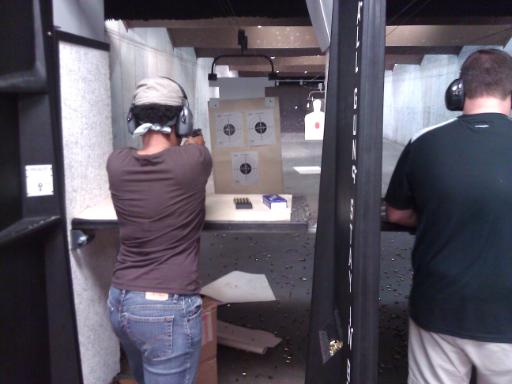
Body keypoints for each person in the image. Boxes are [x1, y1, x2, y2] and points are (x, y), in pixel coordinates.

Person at [385, 49, 512, 384]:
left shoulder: (424, 142)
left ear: (458, 91)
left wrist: (437, 214)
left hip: (439, 308)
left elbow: (396, 213)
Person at [106, 76, 212, 384]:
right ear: (183, 118)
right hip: (167, 308)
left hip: (120, 302)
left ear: (132, 119)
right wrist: (189, 131)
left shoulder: (117, 163)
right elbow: (195, 144)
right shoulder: (194, 161)